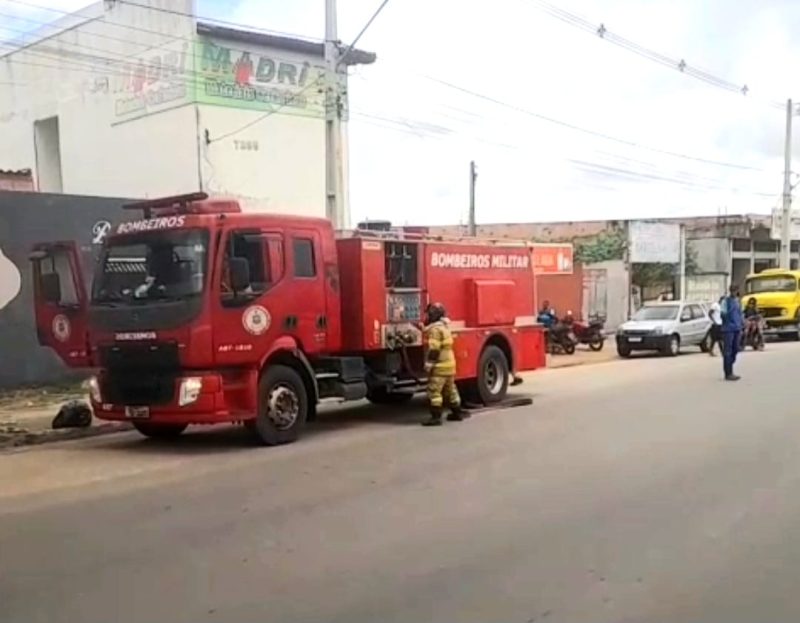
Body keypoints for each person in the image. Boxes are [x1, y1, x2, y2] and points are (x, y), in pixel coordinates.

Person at [421, 302, 465, 426]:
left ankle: (435, 417)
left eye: (429, 314)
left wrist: (429, 364)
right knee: (451, 390)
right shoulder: (444, 327)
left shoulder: (435, 330)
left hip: (440, 367)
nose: (427, 317)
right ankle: (457, 413)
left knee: (434, 391)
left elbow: (434, 349)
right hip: (450, 365)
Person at [720, 284, 744, 381]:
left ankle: (730, 363)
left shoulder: (738, 301)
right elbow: (723, 314)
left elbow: (740, 313)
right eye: (732, 290)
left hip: (737, 328)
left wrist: (742, 323)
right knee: (728, 351)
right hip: (728, 329)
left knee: (736, 349)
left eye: (735, 290)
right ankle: (728, 373)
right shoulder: (725, 301)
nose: (734, 292)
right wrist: (727, 316)